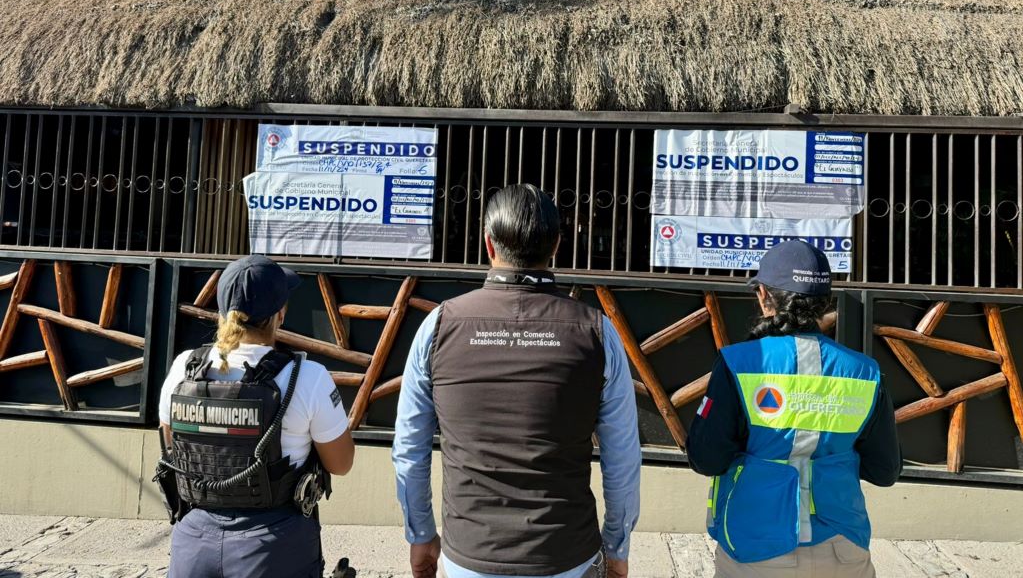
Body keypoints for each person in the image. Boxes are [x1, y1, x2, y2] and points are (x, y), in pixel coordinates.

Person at [392, 183, 642, 578]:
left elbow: (409, 448)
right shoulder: (597, 331)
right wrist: (617, 546)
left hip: (469, 556)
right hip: (567, 556)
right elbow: (623, 456)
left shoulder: (439, 325)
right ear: (557, 245)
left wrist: (420, 534)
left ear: (488, 245)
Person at [687, 240, 902, 578]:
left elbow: (706, 459)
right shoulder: (865, 371)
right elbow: (885, 470)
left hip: (755, 548)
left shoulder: (738, 364)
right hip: (843, 548)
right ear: (825, 303)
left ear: (763, 296)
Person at [157, 255, 356, 578]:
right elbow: (341, 463)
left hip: (193, 541)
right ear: (281, 313)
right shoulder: (307, 377)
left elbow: (171, 443)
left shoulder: (185, 367)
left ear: (222, 312)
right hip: (275, 546)